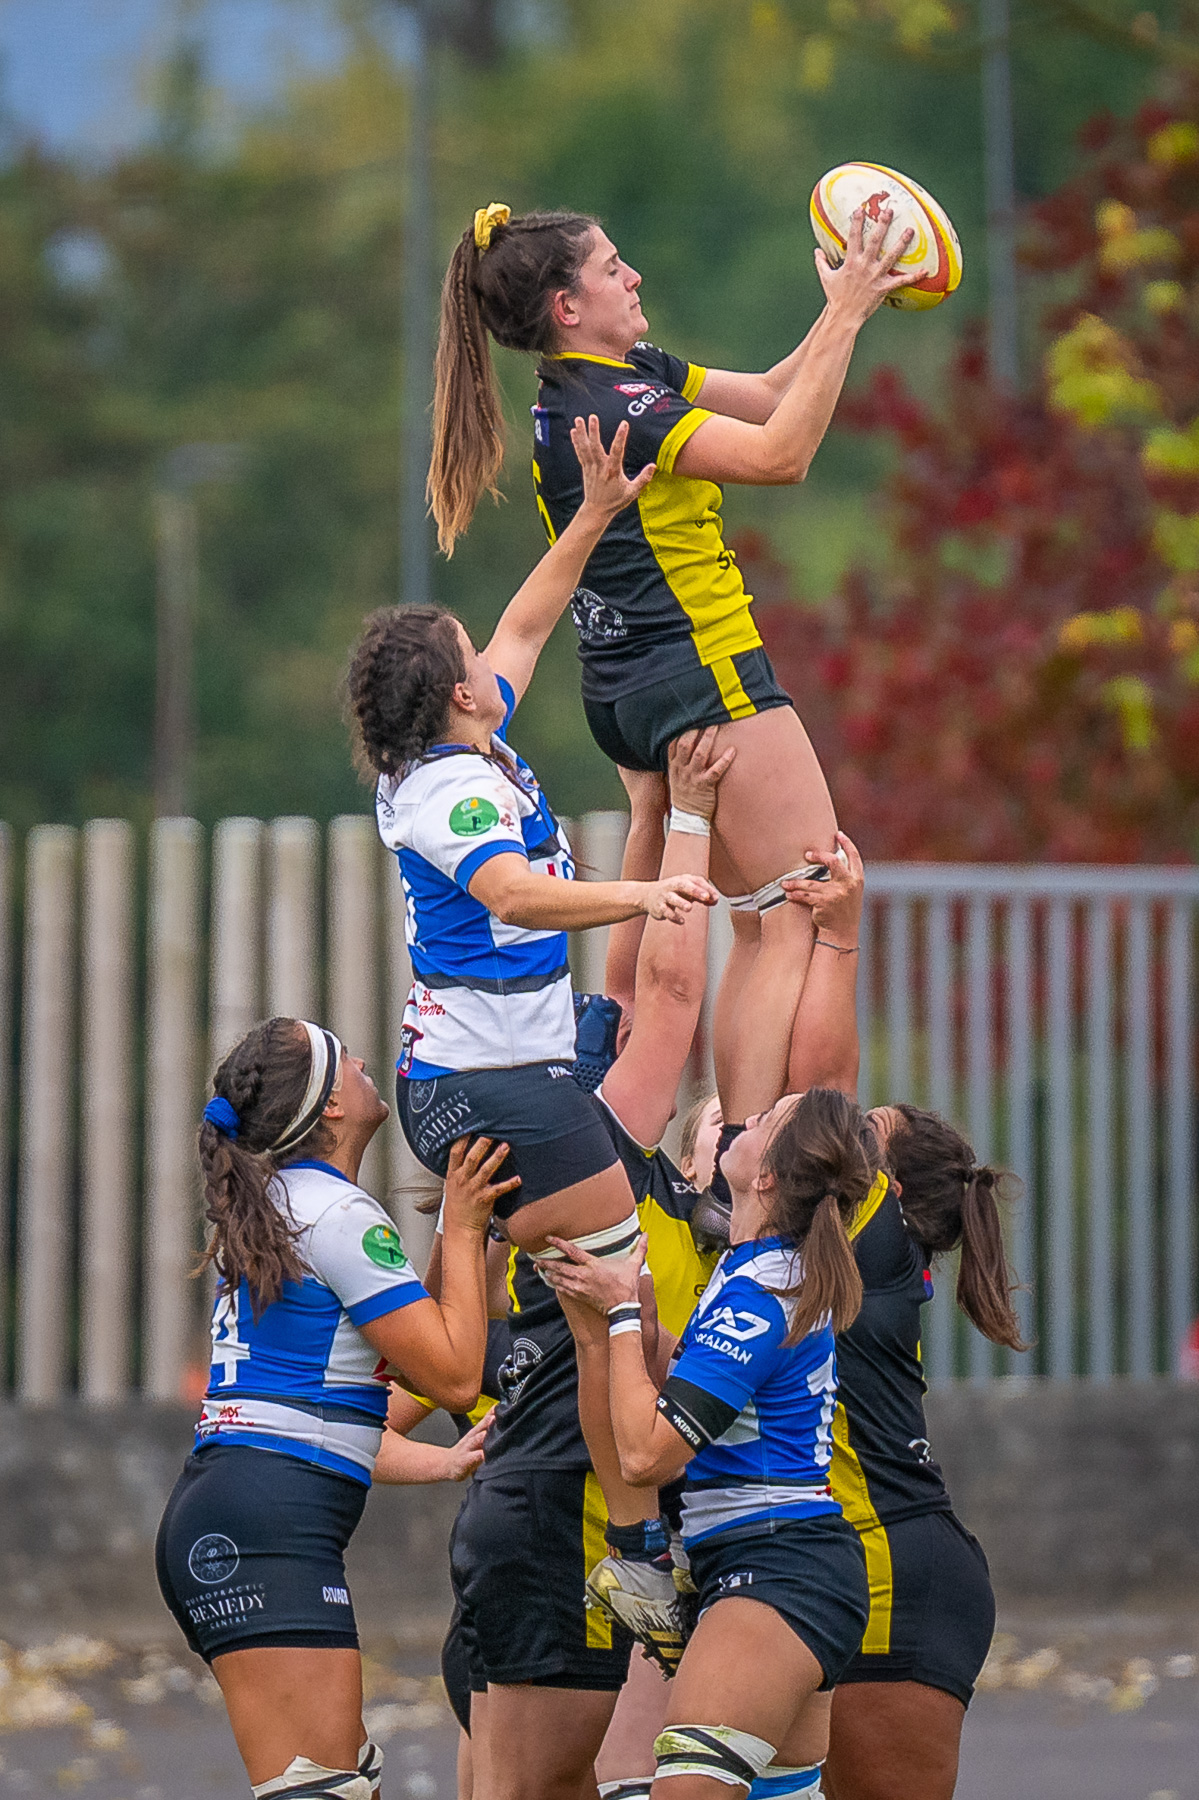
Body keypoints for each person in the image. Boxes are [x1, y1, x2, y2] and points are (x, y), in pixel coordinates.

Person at [426, 199, 914, 1127]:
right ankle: (752, 1153)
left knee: (762, 921)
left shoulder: (616, 378)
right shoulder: (616, 406)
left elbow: (771, 394)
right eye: (612, 267)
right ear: (566, 306)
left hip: (629, 686)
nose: (633, 276)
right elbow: (781, 455)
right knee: (801, 919)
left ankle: (735, 1148)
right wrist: (848, 314)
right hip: (702, 674)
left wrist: (850, 298)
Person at [346, 414, 716, 1544]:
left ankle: (614, 1519)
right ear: (455, 698)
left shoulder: (462, 740)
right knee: (625, 1305)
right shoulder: (452, 795)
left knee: (597, 1307)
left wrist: (597, 513)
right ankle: (637, 1541)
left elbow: (523, 619)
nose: (487, 662)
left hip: (492, 1076)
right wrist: (641, 896)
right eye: (469, 662)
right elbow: (511, 895)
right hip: (489, 1087)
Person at [676, 854, 1025, 1800]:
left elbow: (817, 1078)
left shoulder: (866, 1235)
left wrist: (838, 932)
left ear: (889, 1190)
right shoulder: (797, 1239)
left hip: (894, 1568)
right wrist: (754, 922)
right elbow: (763, 1104)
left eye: (863, 1132)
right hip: (826, 1559)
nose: (834, 1132)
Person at [444, 731, 728, 1800]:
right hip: (558, 1532)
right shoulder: (589, 1146)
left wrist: (644, 807)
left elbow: (625, 971)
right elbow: (664, 993)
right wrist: (691, 814)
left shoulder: (548, 1144)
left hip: (521, 1520)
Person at [154, 1016, 514, 1800]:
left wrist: (447, 1460)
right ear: (331, 1108)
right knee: (322, 1790)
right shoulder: (339, 1214)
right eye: (344, 1056)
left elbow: (332, 1417)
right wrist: (465, 1223)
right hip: (263, 1531)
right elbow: (454, 1376)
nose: (363, 1060)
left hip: (241, 1514)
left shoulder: (289, 1204)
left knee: (345, 1784)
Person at [540, 1087, 879, 1800]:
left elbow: (644, 1455)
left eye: (764, 1121)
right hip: (777, 1561)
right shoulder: (753, 1267)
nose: (744, 1119)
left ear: (766, 1179)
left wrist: (625, 1318)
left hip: (778, 1566)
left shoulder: (762, 1292)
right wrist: (622, 1309)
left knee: (682, 1788)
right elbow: (694, 1384)